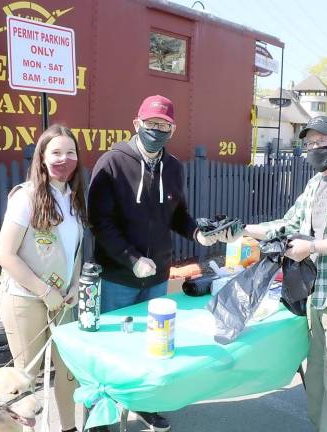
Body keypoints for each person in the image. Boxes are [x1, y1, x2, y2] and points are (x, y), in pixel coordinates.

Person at [221, 115, 327, 432]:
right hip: (316, 295)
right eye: (308, 143)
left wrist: (312, 248)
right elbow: (287, 224)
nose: (313, 148)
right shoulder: (315, 185)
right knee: (318, 374)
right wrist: (242, 231)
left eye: (321, 141)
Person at [87, 95, 219, 432]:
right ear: (137, 124)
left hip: (158, 277)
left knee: (153, 348)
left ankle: (147, 404)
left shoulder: (174, 167)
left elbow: (177, 215)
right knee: (112, 349)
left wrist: (196, 234)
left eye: (164, 126)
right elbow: (99, 222)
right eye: (151, 124)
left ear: (172, 129)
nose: (156, 131)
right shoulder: (112, 162)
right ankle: (100, 416)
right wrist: (131, 260)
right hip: (118, 276)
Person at [0, 124, 86, 432]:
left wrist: (73, 285)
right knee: (26, 379)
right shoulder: (27, 196)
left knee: (68, 370)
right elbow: (4, 254)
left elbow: (73, 250)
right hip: (24, 299)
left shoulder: (72, 198)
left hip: (63, 300)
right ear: (42, 158)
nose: (65, 159)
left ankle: (69, 427)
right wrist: (44, 290)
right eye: (56, 152)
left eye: (71, 152)